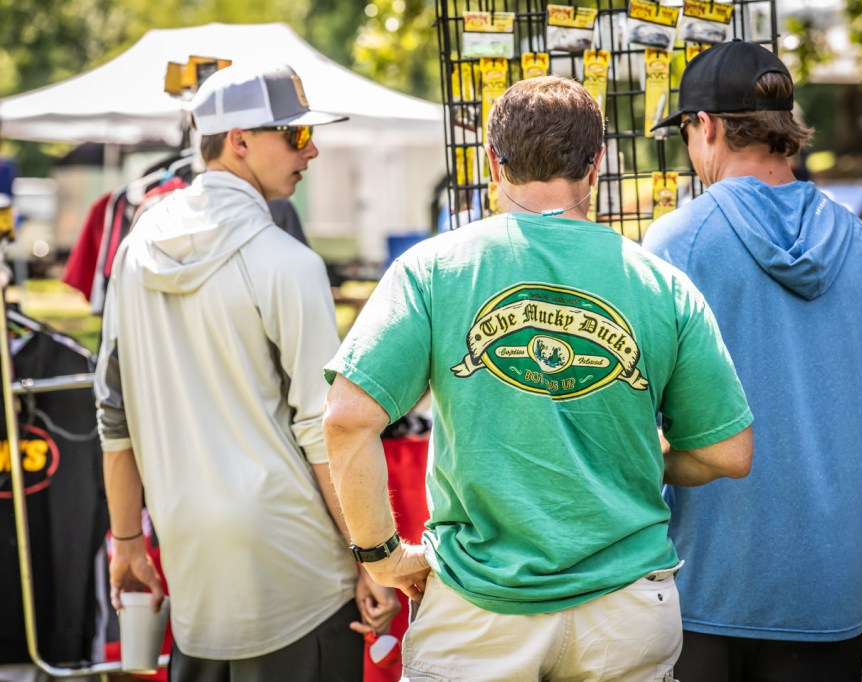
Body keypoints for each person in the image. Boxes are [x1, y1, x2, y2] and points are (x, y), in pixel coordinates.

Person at [321, 75, 755, 681]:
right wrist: (639, 458)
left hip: (478, 608)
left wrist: (382, 557)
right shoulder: (663, 286)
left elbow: (346, 419)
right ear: (597, 164)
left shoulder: (433, 269)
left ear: (492, 162)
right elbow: (728, 452)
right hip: (626, 608)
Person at [94, 63, 398, 681]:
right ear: (238, 140)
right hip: (300, 574)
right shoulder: (288, 262)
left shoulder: (135, 250)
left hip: (192, 569)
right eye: (295, 134)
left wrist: (126, 541)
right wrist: (373, 557)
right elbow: (327, 428)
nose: (312, 150)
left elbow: (113, 414)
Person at [644, 39, 862, 681]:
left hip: (696, 590)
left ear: (706, 127)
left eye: (685, 134)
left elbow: (635, 420)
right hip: (826, 595)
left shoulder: (676, 243)